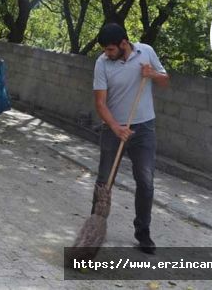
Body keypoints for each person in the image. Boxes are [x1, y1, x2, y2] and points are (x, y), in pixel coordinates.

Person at [91, 23, 169, 254]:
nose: (107, 53)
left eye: (111, 49)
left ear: (124, 43)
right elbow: (100, 103)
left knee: (145, 182)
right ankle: (94, 230)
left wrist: (152, 74)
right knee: (104, 182)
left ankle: (143, 232)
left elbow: (165, 80)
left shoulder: (146, 52)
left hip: (144, 128)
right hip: (113, 129)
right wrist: (116, 127)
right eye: (105, 50)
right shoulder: (101, 63)